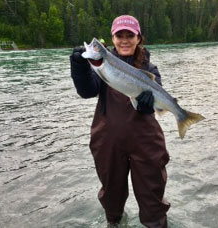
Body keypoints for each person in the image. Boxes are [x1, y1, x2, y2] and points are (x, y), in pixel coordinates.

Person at [70, 15, 170, 228]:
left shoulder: (150, 70)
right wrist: (79, 66)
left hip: (146, 140)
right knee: (111, 193)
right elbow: (87, 91)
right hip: (108, 141)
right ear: (112, 38)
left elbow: (157, 99)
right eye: (119, 35)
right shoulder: (101, 65)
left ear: (138, 38)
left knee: (152, 193)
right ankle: (114, 223)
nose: (125, 40)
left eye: (130, 35)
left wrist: (147, 104)